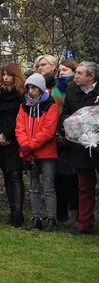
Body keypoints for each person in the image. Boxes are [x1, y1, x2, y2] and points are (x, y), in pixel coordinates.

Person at [17, 72, 59, 232]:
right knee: (34, 187)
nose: (30, 91)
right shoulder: (24, 106)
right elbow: (19, 127)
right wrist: (24, 145)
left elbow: (48, 131)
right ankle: (36, 218)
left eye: (33, 88)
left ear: (41, 89)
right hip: (28, 152)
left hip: (46, 153)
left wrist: (30, 145)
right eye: (28, 88)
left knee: (48, 188)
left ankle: (51, 219)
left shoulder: (51, 105)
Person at [61, 61, 99, 235]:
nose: (75, 76)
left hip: (97, 143)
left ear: (91, 76)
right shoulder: (71, 93)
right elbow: (65, 113)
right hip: (81, 145)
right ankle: (85, 222)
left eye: (80, 73)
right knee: (84, 186)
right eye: (75, 72)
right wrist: (70, 121)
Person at [0, 63, 27, 227]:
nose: (5, 78)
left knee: (15, 175)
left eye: (9, 75)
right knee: (6, 174)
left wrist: (7, 134)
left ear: (16, 76)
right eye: (3, 74)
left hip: (15, 138)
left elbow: (21, 117)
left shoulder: (22, 94)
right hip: (0, 138)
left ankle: (17, 213)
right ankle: (13, 209)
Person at [51, 59, 78, 224]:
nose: (61, 73)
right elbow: (53, 113)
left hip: (74, 137)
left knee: (72, 178)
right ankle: (60, 213)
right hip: (55, 136)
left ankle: (76, 213)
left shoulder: (76, 90)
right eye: (60, 70)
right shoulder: (56, 90)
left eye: (66, 70)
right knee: (58, 176)